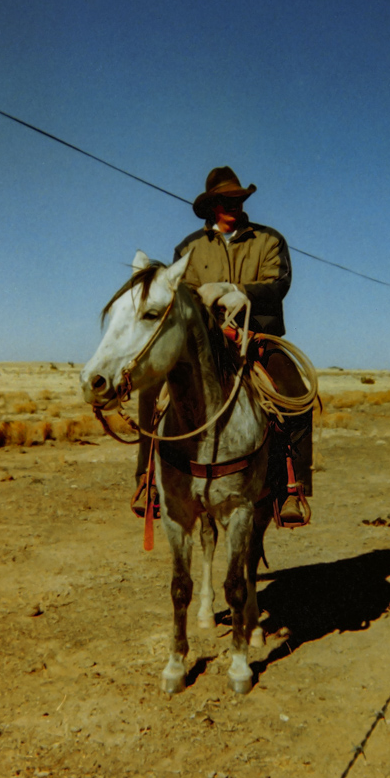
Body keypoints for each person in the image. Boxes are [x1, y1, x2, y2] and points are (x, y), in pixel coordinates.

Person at [133, 166, 312, 524]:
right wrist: (206, 306)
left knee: (295, 393)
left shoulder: (269, 240)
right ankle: (146, 480)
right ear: (212, 205)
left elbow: (278, 284)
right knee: (151, 388)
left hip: (257, 336)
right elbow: (179, 296)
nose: (235, 205)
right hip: (204, 342)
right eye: (227, 200)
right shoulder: (188, 247)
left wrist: (239, 291)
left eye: (239, 199)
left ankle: (294, 488)